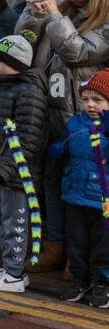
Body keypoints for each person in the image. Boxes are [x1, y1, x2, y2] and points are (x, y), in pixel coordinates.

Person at [17, 0, 109, 275]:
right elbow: (23, 48)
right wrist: (33, 12)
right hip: (50, 111)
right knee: (51, 182)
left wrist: (55, 14)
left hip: (85, 119)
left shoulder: (106, 24)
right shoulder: (64, 13)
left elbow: (77, 52)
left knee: (83, 189)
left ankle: (79, 256)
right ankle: (54, 246)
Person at [0, 35, 48, 292]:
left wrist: (3, 170)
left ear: (16, 63)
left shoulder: (29, 93)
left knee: (14, 223)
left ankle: (14, 276)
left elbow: (28, 140)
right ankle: (12, 267)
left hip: (15, 177)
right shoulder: (5, 87)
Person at [47, 70, 109, 307]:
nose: (90, 105)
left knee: (103, 245)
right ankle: (80, 280)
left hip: (102, 200)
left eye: (98, 100)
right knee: (77, 242)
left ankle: (102, 282)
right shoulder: (75, 123)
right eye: (86, 99)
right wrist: (58, 150)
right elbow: (64, 145)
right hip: (75, 195)